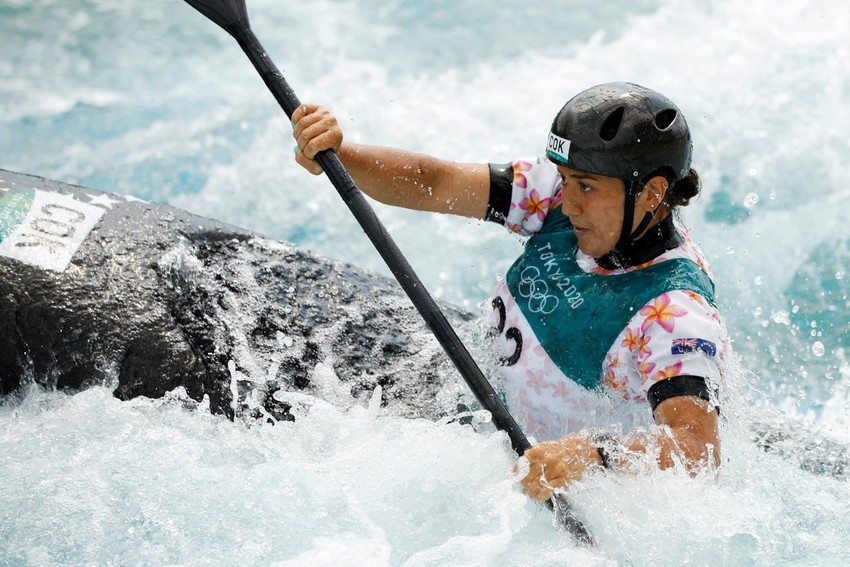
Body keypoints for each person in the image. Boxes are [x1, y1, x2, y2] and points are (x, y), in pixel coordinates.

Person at [291, 82, 728, 502]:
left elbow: (697, 454)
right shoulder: (556, 195)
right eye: (567, 179)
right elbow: (437, 181)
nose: (570, 201)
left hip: (554, 483)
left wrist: (592, 455)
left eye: (588, 187)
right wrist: (343, 156)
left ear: (651, 193)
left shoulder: (673, 313)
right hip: (475, 418)